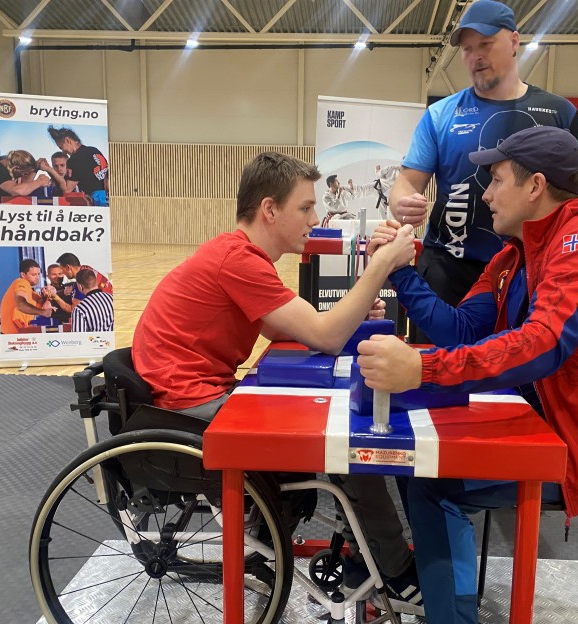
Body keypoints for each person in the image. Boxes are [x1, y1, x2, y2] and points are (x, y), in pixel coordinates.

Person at [361, 126, 578, 624]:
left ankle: (448, 613)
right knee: (419, 463)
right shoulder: (513, 254)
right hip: (546, 419)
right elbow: (460, 330)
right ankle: (438, 598)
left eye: (497, 179)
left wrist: (424, 368)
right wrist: (400, 269)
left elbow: (542, 345)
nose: (486, 193)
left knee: (432, 482)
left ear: (534, 185)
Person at [132, 151, 424, 614]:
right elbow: (324, 336)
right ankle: (392, 567)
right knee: (341, 435)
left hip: (192, 390)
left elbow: (291, 328)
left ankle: (365, 551)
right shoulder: (239, 260)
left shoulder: (242, 256)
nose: (315, 216)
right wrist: (381, 266)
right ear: (270, 210)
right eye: (305, 208)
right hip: (185, 405)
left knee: (331, 419)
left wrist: (344, 318)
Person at [389, 0, 578, 342]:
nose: (475, 56)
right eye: (466, 49)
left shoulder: (559, 112)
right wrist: (403, 202)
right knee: (433, 376)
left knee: (518, 379)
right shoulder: (441, 115)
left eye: (485, 44)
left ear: (513, 41)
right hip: (448, 268)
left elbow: (575, 198)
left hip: (530, 271)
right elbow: (407, 182)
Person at [48, 126, 109, 206]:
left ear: (67, 140)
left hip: (95, 201)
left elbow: (67, 190)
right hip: (109, 198)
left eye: (61, 147)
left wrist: (49, 169)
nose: (63, 152)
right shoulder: (93, 150)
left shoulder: (74, 160)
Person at [0, 258, 53, 333]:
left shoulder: (29, 290)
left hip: (17, 334)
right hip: (13, 336)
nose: (37, 277)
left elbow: (41, 305)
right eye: (33, 274)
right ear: (23, 274)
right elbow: (21, 304)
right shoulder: (22, 282)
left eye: (38, 274)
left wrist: (47, 296)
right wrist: (42, 312)